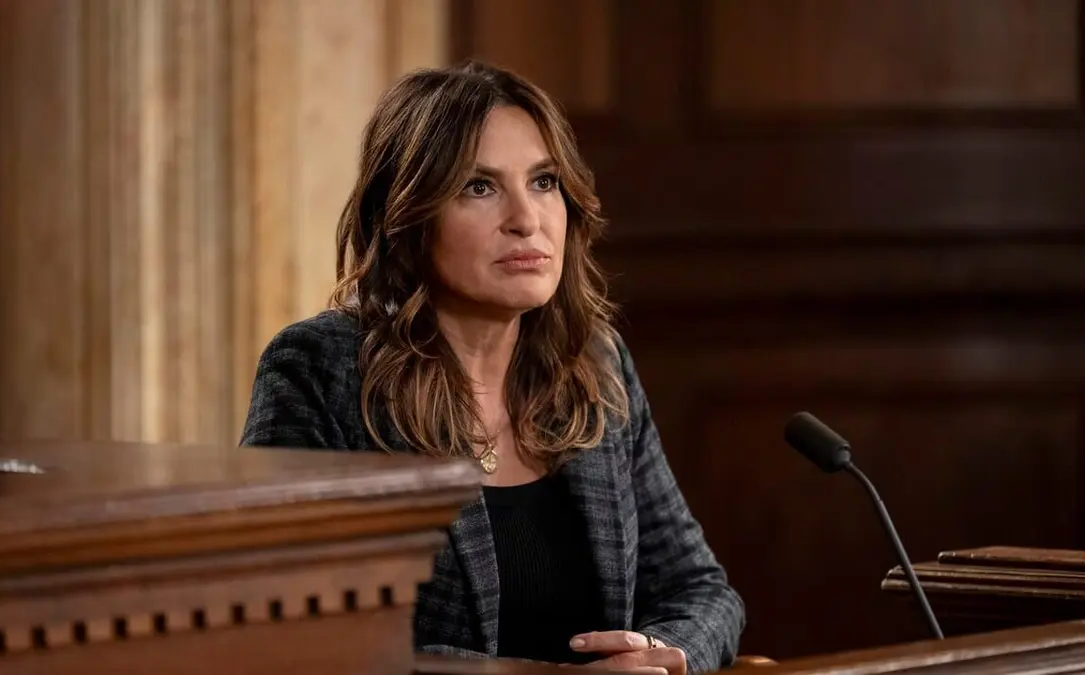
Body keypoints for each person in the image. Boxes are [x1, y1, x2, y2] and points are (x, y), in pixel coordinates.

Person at [240, 59, 745, 675]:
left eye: (544, 182)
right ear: (408, 215)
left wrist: (663, 653)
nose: (526, 220)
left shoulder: (595, 366)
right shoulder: (321, 372)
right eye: (479, 187)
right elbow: (294, 631)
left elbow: (701, 590)